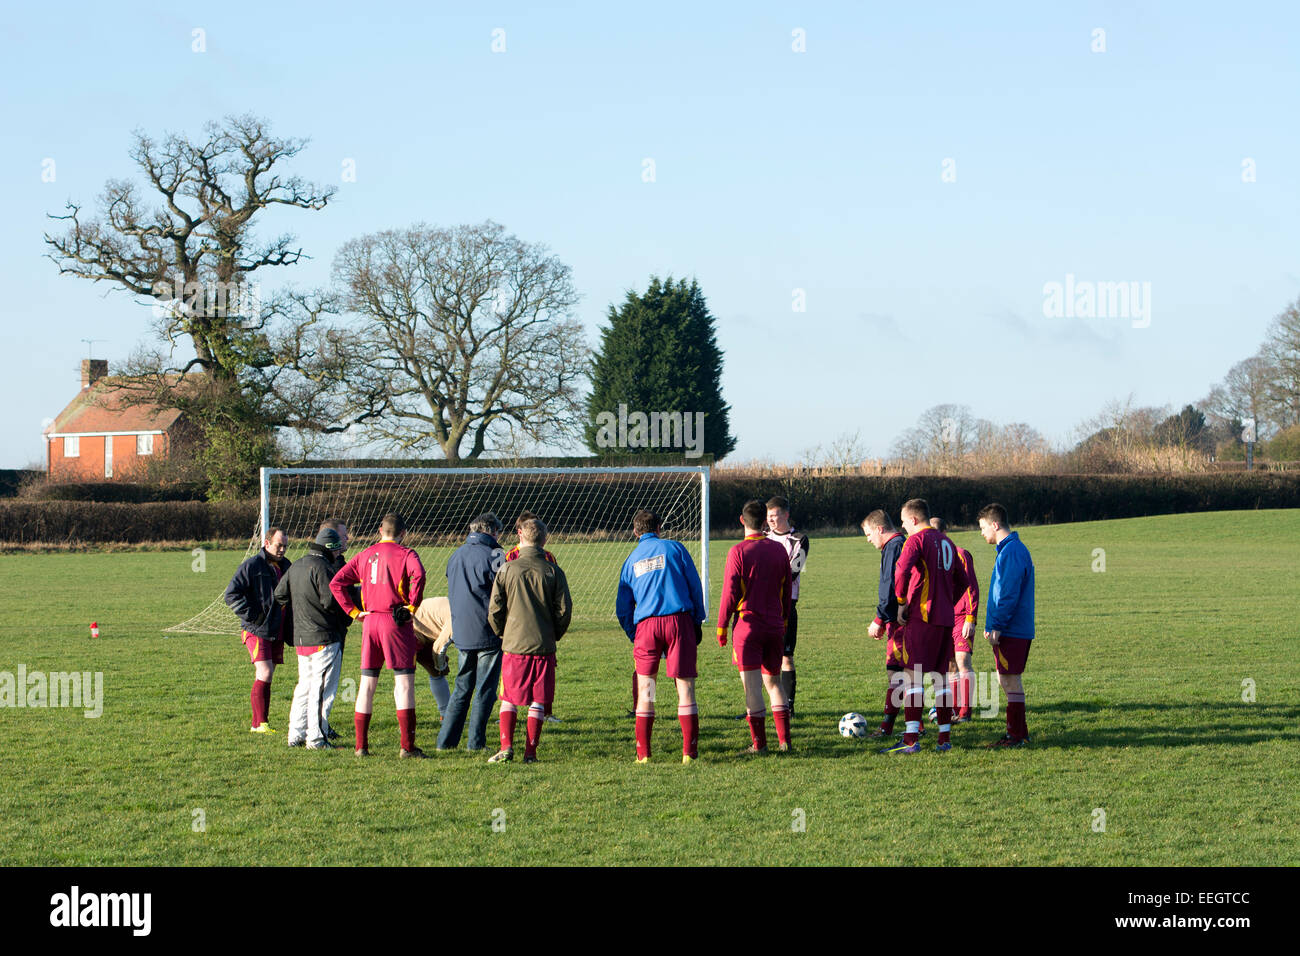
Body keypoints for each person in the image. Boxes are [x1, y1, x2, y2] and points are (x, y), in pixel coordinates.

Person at [330, 513, 430, 759]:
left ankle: (361, 746)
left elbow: (337, 582)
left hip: (370, 621)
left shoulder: (365, 554)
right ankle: (407, 746)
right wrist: (412, 607)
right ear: (403, 534)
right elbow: (420, 575)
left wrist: (353, 612)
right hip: (395, 621)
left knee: (366, 684)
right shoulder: (407, 554)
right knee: (404, 683)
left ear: (379, 530)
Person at [616, 509, 706, 764]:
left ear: (635, 532)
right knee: (685, 688)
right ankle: (689, 753)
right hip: (679, 622)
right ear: (659, 528)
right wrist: (697, 620)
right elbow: (694, 585)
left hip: (646, 627)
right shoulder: (675, 549)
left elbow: (623, 606)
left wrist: (636, 634)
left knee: (647, 690)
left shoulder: (631, 559)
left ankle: (643, 755)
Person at [882, 498, 970, 755]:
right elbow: (962, 580)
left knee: (913, 676)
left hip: (923, 617)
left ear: (913, 520)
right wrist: (946, 602)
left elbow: (901, 571)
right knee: (941, 678)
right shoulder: (947, 541)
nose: (901, 525)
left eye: (902, 521)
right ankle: (944, 738)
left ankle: (910, 739)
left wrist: (900, 603)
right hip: (945, 619)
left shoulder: (916, 540)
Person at [487, 518, 573, 763]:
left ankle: (506, 748)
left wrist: (503, 633)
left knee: (509, 698)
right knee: (538, 699)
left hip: (514, 646)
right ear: (545, 540)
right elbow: (565, 610)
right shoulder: (554, 571)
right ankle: (530, 753)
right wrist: (554, 633)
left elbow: (494, 610)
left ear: (519, 536)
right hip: (544, 646)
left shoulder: (506, 569)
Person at [717, 499, 793, 754]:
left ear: (742, 520)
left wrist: (722, 626)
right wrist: (782, 621)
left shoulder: (738, 552)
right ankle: (785, 742)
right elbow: (787, 590)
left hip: (748, 627)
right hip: (774, 626)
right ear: (764, 522)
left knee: (752, 687)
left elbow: (729, 592)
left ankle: (759, 745)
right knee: (774, 683)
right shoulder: (779, 550)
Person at [274, 526, 352, 749]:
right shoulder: (324, 567)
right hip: (324, 637)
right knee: (322, 689)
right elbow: (330, 601)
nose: (338, 554)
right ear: (331, 549)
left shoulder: (297, 564)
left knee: (304, 686)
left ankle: (295, 735)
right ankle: (317, 739)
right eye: (337, 550)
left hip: (301, 638)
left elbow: (279, 594)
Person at [438, 513, 506, 752]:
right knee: (485, 689)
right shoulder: (496, 554)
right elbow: (504, 589)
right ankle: (476, 743)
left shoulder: (455, 555)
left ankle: (445, 741)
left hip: (462, 630)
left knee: (462, 687)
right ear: (493, 531)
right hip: (488, 630)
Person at [977, 503, 1035, 747]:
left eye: (982, 527)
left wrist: (997, 625)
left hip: (1012, 629)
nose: (981, 533)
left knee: (1009, 680)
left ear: (995, 524)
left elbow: (1007, 593)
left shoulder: (1011, 551)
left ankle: (1016, 735)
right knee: (1008, 679)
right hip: (1013, 627)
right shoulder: (1011, 550)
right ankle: (1019, 733)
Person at [225, 528, 292, 734]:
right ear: (267, 543)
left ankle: (259, 723)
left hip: (276, 628)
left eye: (285, 546)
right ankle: (259, 724)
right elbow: (231, 594)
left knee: (268, 675)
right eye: (278, 545)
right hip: (257, 629)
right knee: (265, 671)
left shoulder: (287, 566)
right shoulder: (252, 565)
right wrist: (255, 616)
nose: (281, 549)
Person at [504, 511, 561, 722]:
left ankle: (546, 712)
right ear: (520, 532)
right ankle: (514, 713)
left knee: (546, 670)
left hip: (542, 622)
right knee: (515, 673)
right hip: (518, 623)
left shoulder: (549, 557)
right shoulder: (509, 557)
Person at [862, 510, 911, 739]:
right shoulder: (896, 545)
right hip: (898, 618)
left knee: (899, 675)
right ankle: (895, 726)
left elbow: (891, 586)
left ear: (880, 529)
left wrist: (879, 618)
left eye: (869, 533)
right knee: (901, 674)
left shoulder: (895, 546)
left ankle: (891, 728)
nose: (868, 538)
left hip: (899, 621)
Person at [930, 517, 979, 722]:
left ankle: (965, 713)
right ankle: (954, 710)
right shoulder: (930, 557)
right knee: (950, 665)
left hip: (961, 617)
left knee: (962, 661)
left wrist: (971, 617)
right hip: (942, 618)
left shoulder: (960, 554)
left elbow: (971, 586)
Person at [764, 496, 809, 716]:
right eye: (768, 516)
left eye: (775, 515)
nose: (771, 520)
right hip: (762, 604)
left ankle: (788, 706)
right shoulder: (762, 537)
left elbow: (793, 572)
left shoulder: (800, 539)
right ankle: (760, 706)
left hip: (785, 605)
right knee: (760, 658)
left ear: (786, 515)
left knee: (786, 657)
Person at [412, 595, 453, 719]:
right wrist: (441, 665)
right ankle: (406, 722)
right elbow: (439, 648)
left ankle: (446, 716)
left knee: (436, 672)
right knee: (405, 678)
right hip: (412, 628)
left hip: (426, 626)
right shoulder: (459, 620)